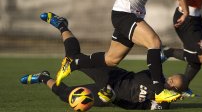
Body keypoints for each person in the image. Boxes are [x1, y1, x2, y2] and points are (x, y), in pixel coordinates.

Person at [58, 0, 198, 103]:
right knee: (154, 42)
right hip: (122, 15)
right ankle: (159, 90)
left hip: (134, 18)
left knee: (111, 59)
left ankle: (73, 63)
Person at [19, 12, 188, 110]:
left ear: (176, 92)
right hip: (111, 75)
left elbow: (132, 106)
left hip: (109, 96)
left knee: (66, 96)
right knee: (74, 58)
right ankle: (62, 25)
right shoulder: (155, 77)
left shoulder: (161, 105)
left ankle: (42, 77)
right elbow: (153, 68)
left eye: (174, 85)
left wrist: (112, 97)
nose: (169, 82)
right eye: (172, 78)